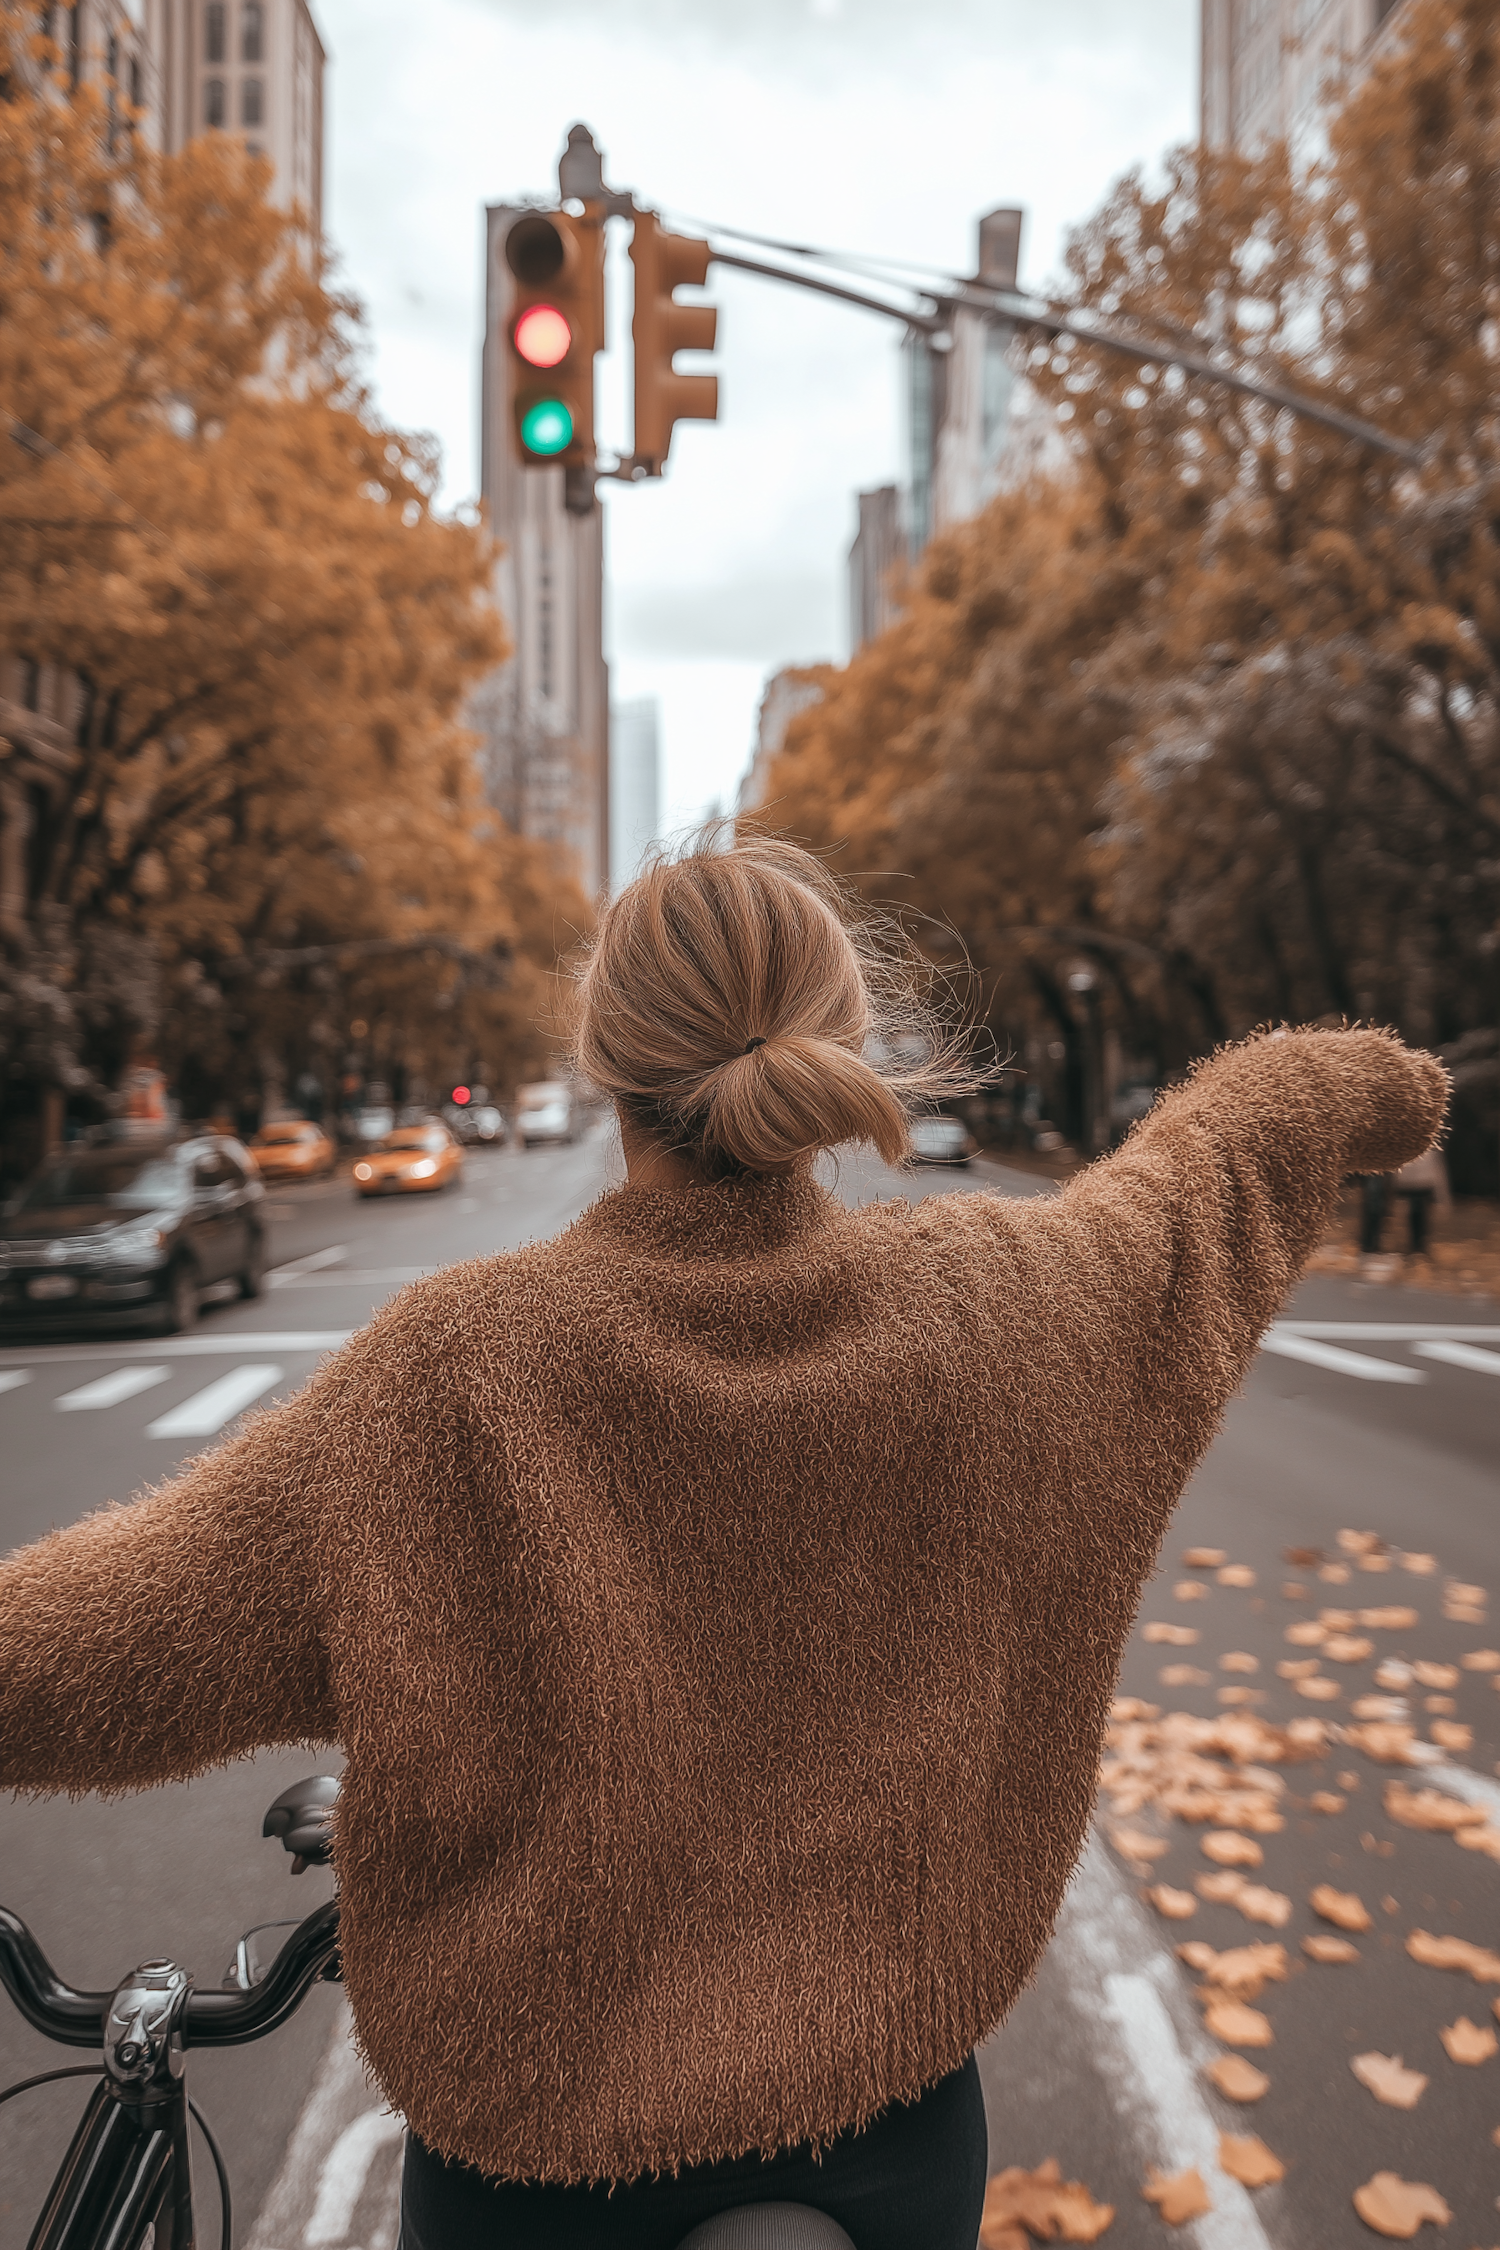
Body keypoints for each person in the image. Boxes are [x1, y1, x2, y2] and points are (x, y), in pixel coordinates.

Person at [0, 838, 1448, 2250]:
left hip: (534, 2167)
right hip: (892, 2136)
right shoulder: (1002, 1303)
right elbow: (1212, 1177)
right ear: (841, 1039)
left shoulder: (443, 1372)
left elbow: (99, 1646)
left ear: (606, 1064)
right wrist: (1380, 1082)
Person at [1391, 1144, 1450, 1258]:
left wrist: (1442, 1198)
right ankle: (1415, 1245)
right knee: (1412, 1217)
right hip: (1410, 1186)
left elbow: (1439, 1173)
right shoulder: (1407, 1150)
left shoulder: (1430, 1152)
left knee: (1422, 1218)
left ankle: (1420, 1245)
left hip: (1422, 1186)